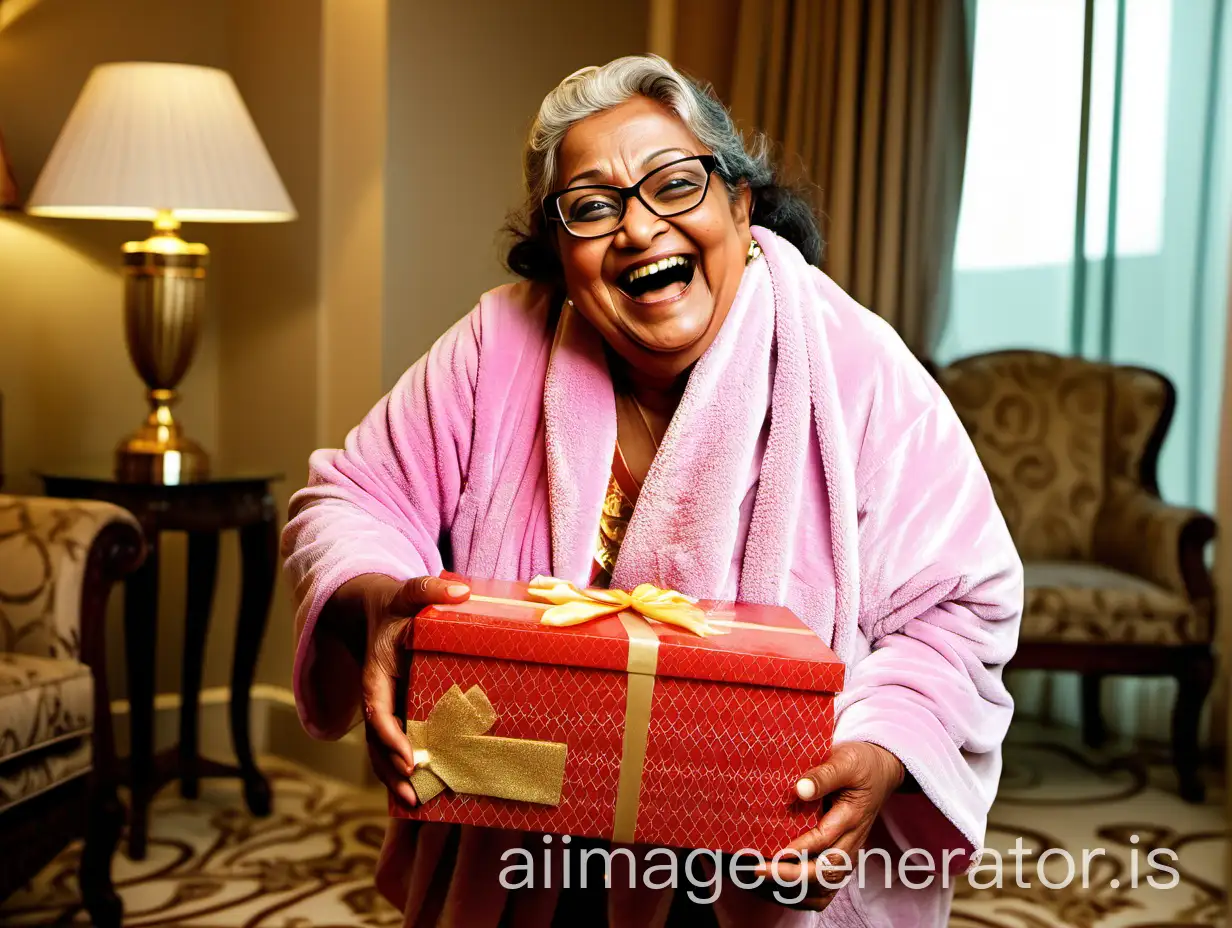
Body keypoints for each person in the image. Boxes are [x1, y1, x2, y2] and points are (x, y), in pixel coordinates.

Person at [283, 55, 1023, 927]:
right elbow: (352, 499)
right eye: (592, 208)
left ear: (740, 206)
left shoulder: (857, 366)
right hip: (521, 834)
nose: (638, 230)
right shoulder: (496, 345)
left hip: (763, 853)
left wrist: (884, 746)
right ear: (560, 255)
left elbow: (958, 605)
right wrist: (377, 603)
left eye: (675, 184)